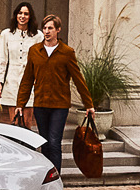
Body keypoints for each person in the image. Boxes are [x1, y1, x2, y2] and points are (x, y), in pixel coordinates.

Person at [12, 13, 95, 171]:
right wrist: (20, 104)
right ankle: (46, 179)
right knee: (44, 143)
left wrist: (88, 104)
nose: (47, 31)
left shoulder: (67, 52)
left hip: (59, 105)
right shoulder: (35, 51)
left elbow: (78, 79)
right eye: (44, 28)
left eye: (50, 28)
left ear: (58, 30)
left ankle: (56, 179)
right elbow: (27, 79)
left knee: (54, 142)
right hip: (41, 104)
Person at [0, 1, 39, 129]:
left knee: (27, 122)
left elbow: (41, 61)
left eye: (26, 13)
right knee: (14, 122)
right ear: (16, 15)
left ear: (30, 16)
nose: (22, 16)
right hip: (12, 80)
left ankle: (27, 148)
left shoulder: (38, 35)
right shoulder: (6, 34)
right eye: (20, 13)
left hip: (30, 80)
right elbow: (1, 60)